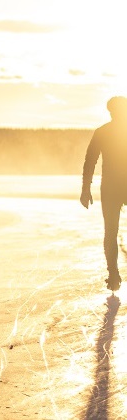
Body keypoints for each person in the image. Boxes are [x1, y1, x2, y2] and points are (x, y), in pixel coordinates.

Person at [83, 96, 127, 291]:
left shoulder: (102, 131)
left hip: (110, 186)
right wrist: (85, 188)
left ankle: (114, 275)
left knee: (110, 231)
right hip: (114, 185)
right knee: (110, 231)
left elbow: (90, 160)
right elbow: (90, 160)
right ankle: (113, 275)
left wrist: (86, 188)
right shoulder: (103, 132)